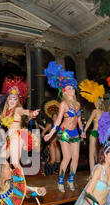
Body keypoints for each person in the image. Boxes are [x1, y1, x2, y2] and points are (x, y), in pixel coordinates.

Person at [44, 62, 85, 192]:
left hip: (75, 133)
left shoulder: (78, 104)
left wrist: (82, 131)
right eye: (69, 88)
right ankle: (60, 181)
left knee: (76, 158)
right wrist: (51, 134)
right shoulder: (63, 104)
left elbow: (78, 120)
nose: (71, 90)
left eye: (72, 88)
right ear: (64, 91)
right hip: (64, 132)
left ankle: (71, 181)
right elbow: (58, 121)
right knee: (66, 157)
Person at [0, 75, 40, 173]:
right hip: (10, 137)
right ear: (7, 100)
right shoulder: (6, 112)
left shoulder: (17, 109)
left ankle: (22, 183)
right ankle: (9, 176)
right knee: (1, 158)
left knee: (15, 162)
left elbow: (24, 112)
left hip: (17, 136)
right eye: (10, 99)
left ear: (18, 101)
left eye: (15, 99)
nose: (12, 101)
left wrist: (32, 113)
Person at [79, 79, 105, 175]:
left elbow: (89, 122)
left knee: (91, 154)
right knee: (98, 155)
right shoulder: (104, 112)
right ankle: (99, 173)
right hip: (102, 135)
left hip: (94, 133)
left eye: (94, 101)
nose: (93, 103)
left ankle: (91, 174)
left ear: (97, 102)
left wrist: (83, 131)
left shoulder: (95, 111)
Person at [42, 100, 61, 175]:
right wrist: (47, 140)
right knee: (52, 160)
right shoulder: (50, 125)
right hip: (52, 144)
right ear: (52, 118)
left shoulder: (60, 126)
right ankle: (47, 172)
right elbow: (43, 133)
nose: (56, 118)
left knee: (58, 160)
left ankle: (55, 174)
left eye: (57, 116)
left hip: (58, 144)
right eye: (54, 117)